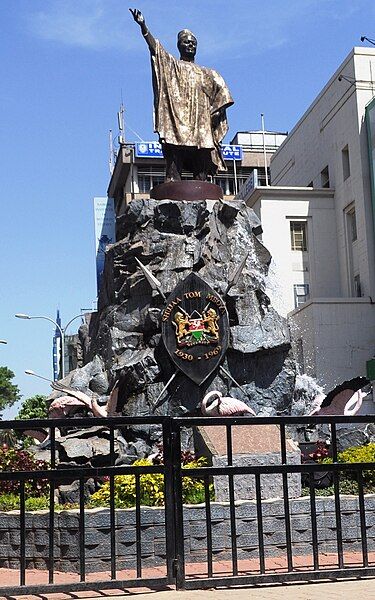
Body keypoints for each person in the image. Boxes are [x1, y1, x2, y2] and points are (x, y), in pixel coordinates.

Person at [130, 8, 234, 181]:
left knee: (202, 171)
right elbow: (157, 50)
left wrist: (215, 112)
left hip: (200, 125)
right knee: (173, 166)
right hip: (178, 123)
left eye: (193, 43)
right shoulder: (173, 65)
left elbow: (224, 93)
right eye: (186, 42)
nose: (191, 45)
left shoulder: (207, 73)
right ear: (179, 45)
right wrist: (144, 27)